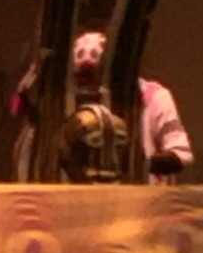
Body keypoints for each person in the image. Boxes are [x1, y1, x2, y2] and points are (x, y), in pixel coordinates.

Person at [70, 31, 193, 183]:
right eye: (82, 78)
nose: (89, 85)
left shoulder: (154, 97)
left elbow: (180, 156)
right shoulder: (71, 101)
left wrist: (134, 165)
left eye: (94, 75)